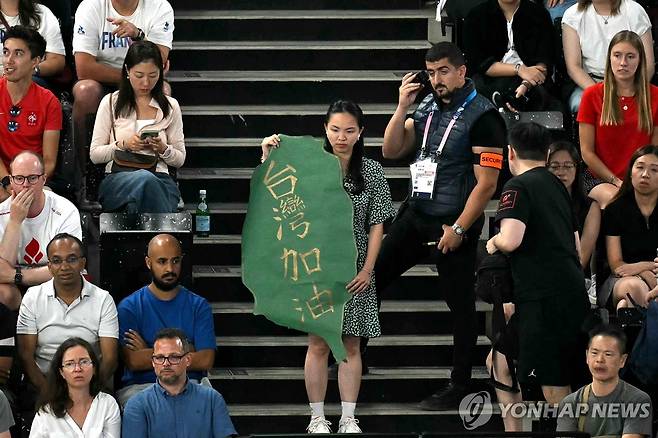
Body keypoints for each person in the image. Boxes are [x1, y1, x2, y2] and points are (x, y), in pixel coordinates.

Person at [375, 41, 506, 410]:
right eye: (431, 73)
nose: (436, 80)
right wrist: (402, 107)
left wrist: (461, 229)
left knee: (461, 306)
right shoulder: (427, 105)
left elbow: (487, 184)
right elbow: (391, 150)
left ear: (462, 71)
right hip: (416, 213)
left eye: (443, 71)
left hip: (453, 222)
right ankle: (355, 354)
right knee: (369, 280)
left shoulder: (484, 116)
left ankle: (460, 383)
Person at [260, 100, 395, 433]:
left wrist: (367, 270)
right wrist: (267, 155)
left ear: (361, 132)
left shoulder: (373, 172)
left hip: (356, 268)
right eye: (335, 129)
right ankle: (317, 418)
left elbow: (377, 225)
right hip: (315, 264)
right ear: (325, 129)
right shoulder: (308, 166)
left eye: (349, 131)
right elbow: (276, 197)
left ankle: (349, 417)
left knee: (350, 343)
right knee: (319, 342)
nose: (342, 137)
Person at [487, 122, 588, 410]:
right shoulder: (557, 185)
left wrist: (493, 243)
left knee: (553, 384)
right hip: (568, 292)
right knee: (499, 361)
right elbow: (577, 247)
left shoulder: (517, 186)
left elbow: (511, 239)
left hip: (543, 299)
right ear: (547, 155)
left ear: (510, 153)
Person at [0, 151, 81, 387]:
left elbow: (68, 265)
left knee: (67, 276)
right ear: (10, 181)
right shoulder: (3, 213)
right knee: (2, 292)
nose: (25, 185)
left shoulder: (65, 211)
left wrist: (18, 275)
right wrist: (16, 221)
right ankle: (10, 372)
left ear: (44, 180)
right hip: (17, 293)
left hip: (56, 286)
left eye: (32, 179)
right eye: (19, 179)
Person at [116, 234, 215, 407]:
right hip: (142, 388)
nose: (170, 268)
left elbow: (206, 359)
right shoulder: (129, 307)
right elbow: (133, 361)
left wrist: (148, 350)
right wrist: (187, 350)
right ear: (148, 263)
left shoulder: (199, 306)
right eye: (162, 261)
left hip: (191, 385)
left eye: (175, 261)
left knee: (210, 402)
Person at [90, 40, 184, 213]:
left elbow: (179, 159)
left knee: (137, 202)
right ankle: (163, 238)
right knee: (144, 180)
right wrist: (123, 145)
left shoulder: (171, 106)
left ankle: (145, 238)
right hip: (118, 179)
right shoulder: (111, 102)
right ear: (127, 71)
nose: (146, 83)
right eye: (139, 76)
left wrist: (163, 149)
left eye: (153, 75)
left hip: (161, 178)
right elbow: (95, 155)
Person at [16, 233, 118, 393]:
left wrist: (87, 392)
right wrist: (49, 394)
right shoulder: (32, 297)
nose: (64, 267)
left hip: (91, 384)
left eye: (71, 259)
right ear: (49, 266)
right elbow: (25, 356)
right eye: (56, 261)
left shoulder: (103, 299)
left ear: (83, 263)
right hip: (44, 384)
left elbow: (110, 358)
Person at [72, 0, 174, 157]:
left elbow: (158, 62)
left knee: (163, 90)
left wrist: (138, 35)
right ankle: (85, 166)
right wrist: (131, 77)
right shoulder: (90, 6)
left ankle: (156, 163)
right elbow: (84, 69)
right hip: (103, 79)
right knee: (85, 90)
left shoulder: (160, 6)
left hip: (144, 81)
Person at [578, 30, 658, 209]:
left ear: (640, 60)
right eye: (617, 55)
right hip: (599, 177)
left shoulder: (655, 96)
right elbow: (586, 152)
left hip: (643, 177)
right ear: (609, 59)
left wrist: (638, 181)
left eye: (630, 56)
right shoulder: (592, 95)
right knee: (618, 201)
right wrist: (616, 181)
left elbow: (655, 151)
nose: (623, 63)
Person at [122, 328, 236, 438]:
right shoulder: (137, 404)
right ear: (153, 362)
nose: (166, 363)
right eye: (160, 357)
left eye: (174, 357)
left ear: (188, 360)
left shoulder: (212, 399)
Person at [557, 325, 653, 437]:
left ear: (622, 360)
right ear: (587, 356)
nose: (600, 360)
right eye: (594, 353)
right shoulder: (570, 403)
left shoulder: (638, 400)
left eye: (608, 354)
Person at [463, 0, 558, 112]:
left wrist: (526, 84)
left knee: (553, 107)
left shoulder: (539, 14)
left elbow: (545, 60)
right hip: (489, 79)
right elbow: (479, 63)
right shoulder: (477, 15)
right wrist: (519, 69)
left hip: (531, 80)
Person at [0, 26, 62, 195]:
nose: (9, 60)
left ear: (35, 61)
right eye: (6, 52)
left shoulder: (49, 102)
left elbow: (48, 162)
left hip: (33, 181)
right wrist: (7, 182)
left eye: (18, 54)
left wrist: (26, 186)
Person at [562, 0, 653, 113]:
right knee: (581, 104)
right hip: (591, 83)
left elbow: (648, 65)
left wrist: (628, 91)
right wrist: (601, 94)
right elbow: (573, 67)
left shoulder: (635, 11)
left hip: (632, 82)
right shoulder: (572, 15)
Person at [601, 145, 658, 310]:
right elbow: (617, 266)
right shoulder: (615, 209)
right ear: (630, 172)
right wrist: (645, 270)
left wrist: (642, 267)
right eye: (640, 167)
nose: (645, 174)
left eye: (654, 170)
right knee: (635, 288)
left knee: (630, 303)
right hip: (622, 278)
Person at [30, 337, 121, 437]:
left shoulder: (107, 404)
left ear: (94, 368)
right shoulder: (46, 412)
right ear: (61, 372)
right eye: (70, 364)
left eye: (84, 362)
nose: (77, 369)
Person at [548, 141, 600, 270]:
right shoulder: (536, 200)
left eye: (568, 166)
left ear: (577, 169)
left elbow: (582, 259)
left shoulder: (590, 207)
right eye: (554, 166)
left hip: (572, 274)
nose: (561, 172)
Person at [0, 0, 66, 85]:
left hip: (30, 79)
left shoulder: (43, 13)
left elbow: (57, 61)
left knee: (20, 82)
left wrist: (29, 70)